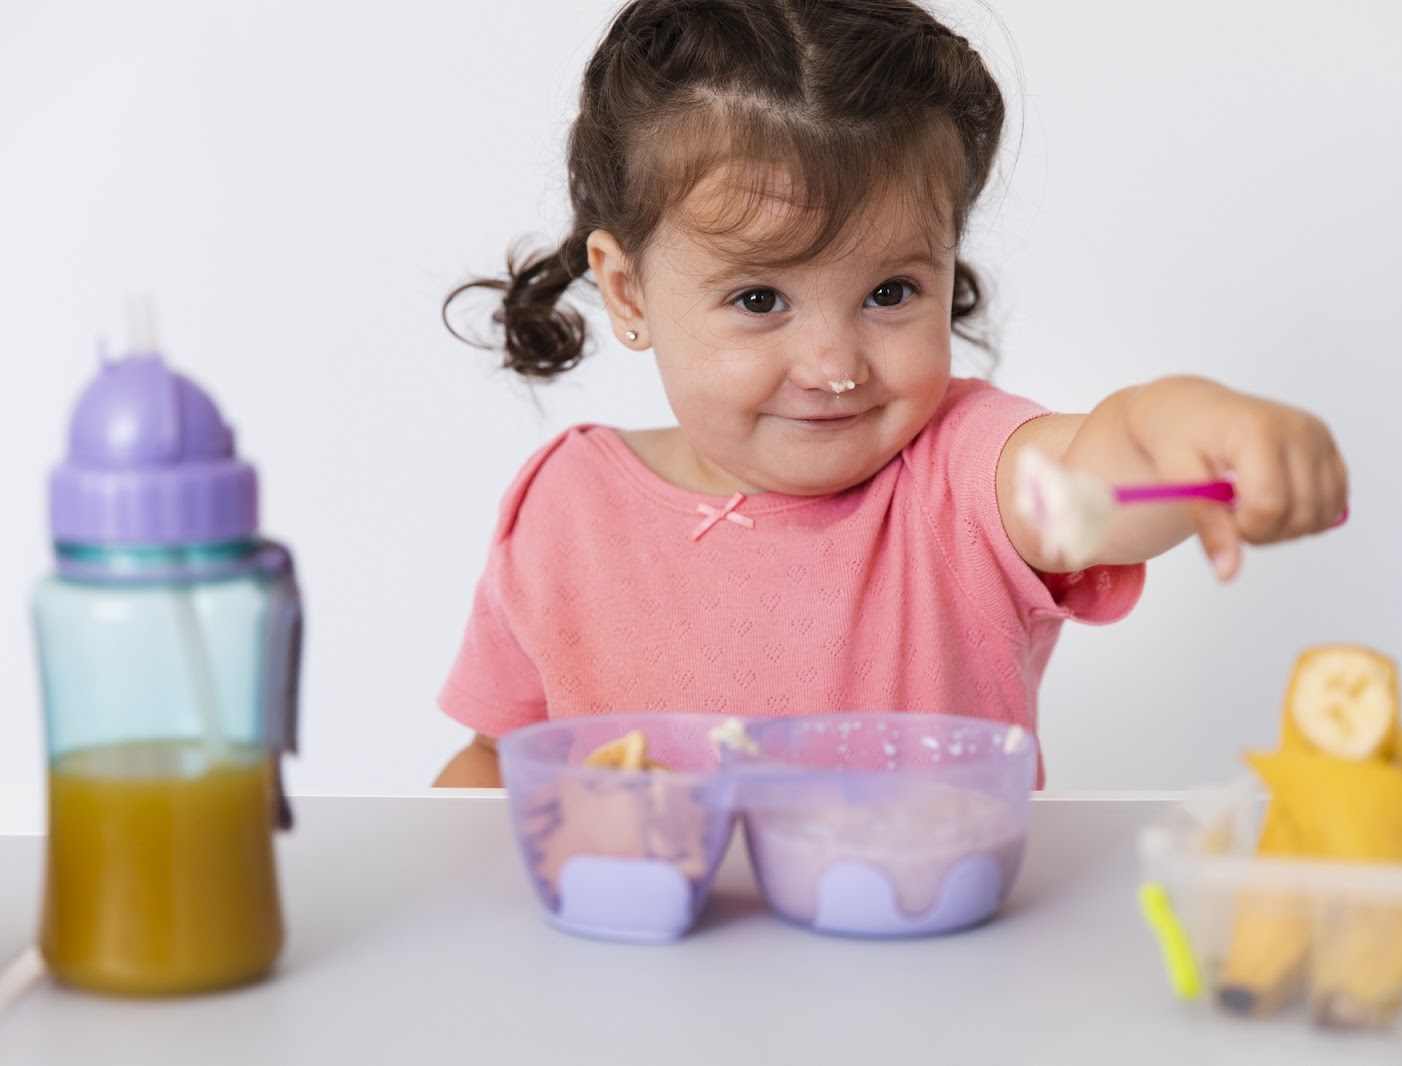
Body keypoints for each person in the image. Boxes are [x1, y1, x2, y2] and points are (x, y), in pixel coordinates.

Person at [432, 0, 1347, 788]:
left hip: (936, 986)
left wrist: (1186, 423)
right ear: (629, 292)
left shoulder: (962, 475)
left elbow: (1096, 475)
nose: (836, 367)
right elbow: (493, 759)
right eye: (760, 299)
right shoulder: (564, 509)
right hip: (628, 984)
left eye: (890, 294)